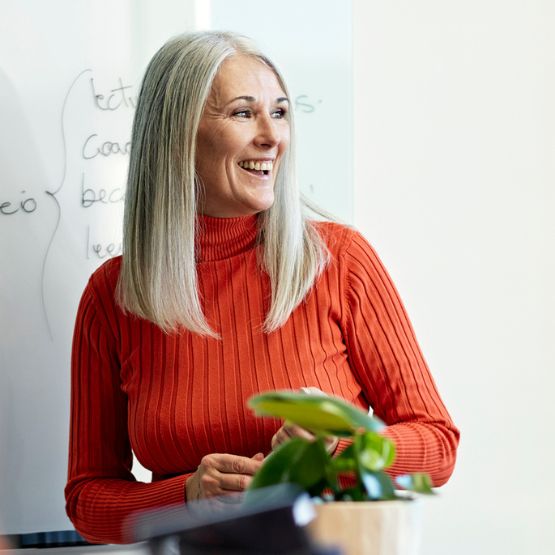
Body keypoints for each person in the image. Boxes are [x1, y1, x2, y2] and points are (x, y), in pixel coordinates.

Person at [65, 31, 459, 544]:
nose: (273, 136)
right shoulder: (113, 295)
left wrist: (338, 450)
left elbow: (437, 445)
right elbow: (88, 501)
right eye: (242, 113)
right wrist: (187, 496)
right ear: (176, 135)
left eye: (279, 112)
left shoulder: (341, 262)